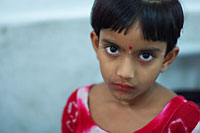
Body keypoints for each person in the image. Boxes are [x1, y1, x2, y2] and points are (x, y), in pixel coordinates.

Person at [62, 0, 200, 132]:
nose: (125, 73)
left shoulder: (186, 122)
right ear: (96, 45)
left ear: (167, 59)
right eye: (113, 49)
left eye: (146, 56)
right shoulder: (77, 107)